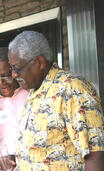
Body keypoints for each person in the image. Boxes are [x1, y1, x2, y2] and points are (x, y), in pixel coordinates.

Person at [6, 30, 104, 171]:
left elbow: (95, 155)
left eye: (17, 68)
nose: (14, 75)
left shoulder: (71, 88)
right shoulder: (34, 91)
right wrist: (18, 159)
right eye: (11, 68)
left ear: (39, 62)